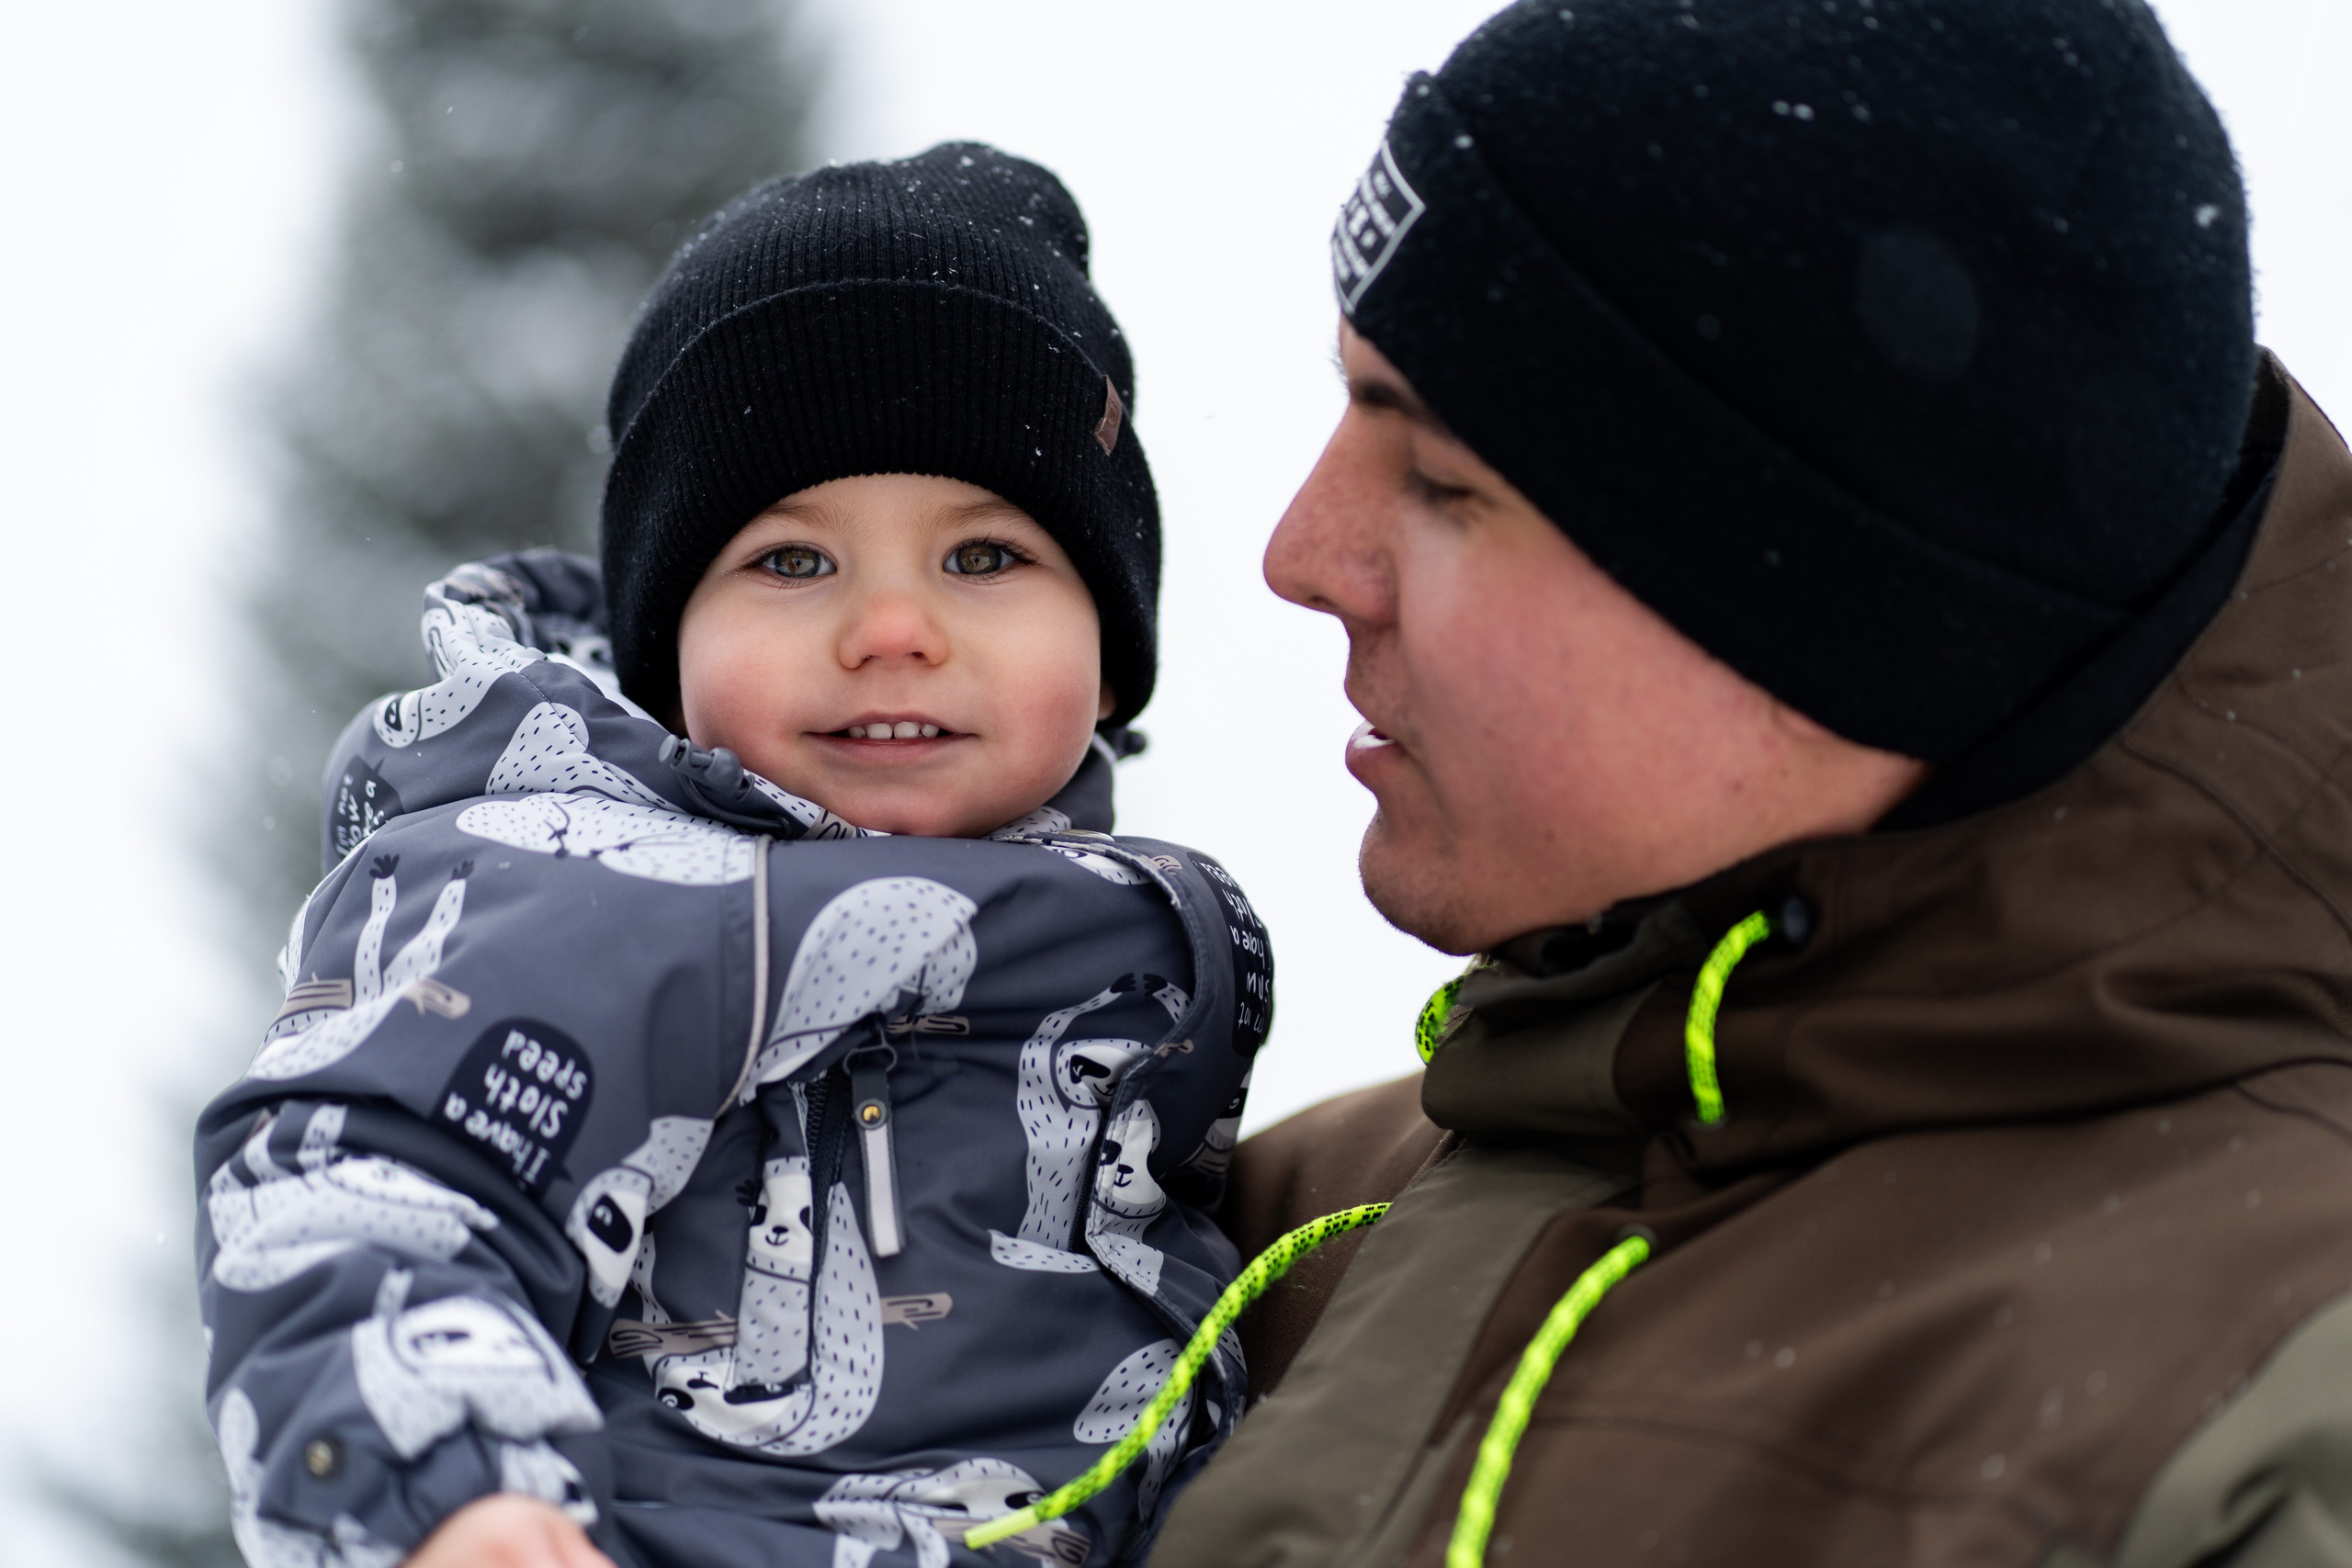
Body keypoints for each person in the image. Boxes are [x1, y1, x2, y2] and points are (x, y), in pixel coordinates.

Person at [1148, 2, 2352, 1565]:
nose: (1302, 556)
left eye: (1442, 480)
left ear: (1848, 615)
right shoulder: (1252, 1227)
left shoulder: (2259, 1422)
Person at [195, 144, 1272, 1568]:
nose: (893, 629)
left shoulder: (1141, 947)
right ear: (669, 652)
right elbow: (370, 1184)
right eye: (793, 562)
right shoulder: (589, 889)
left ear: (1112, 651)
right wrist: (454, 1495)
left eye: (984, 558)